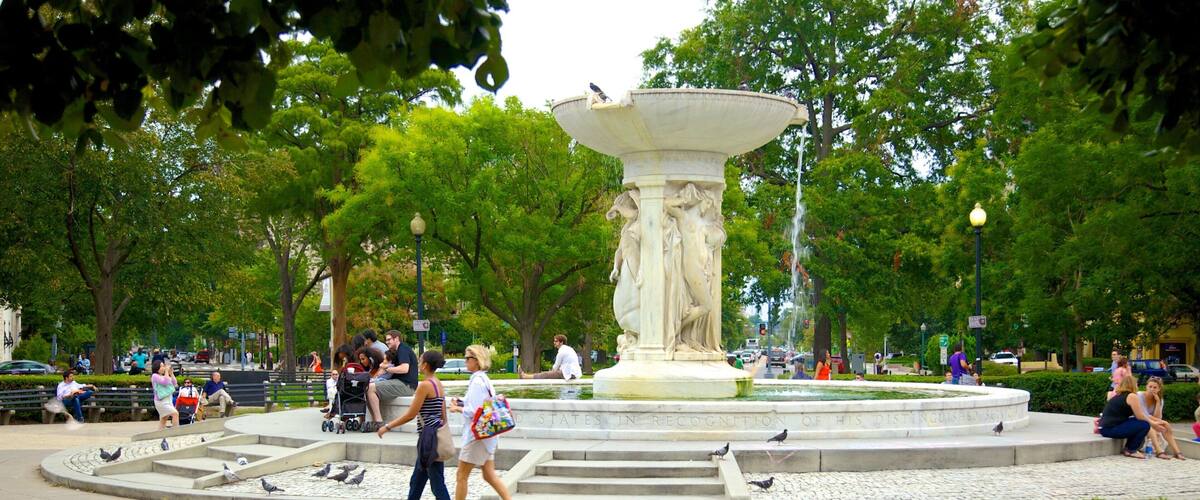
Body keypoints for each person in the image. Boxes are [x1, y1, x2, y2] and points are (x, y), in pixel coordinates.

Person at [378, 350, 451, 500]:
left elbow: (410, 414)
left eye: (419, 361)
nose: (418, 364)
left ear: (425, 365)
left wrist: (387, 426)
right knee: (417, 481)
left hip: (428, 440)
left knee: (437, 485)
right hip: (433, 437)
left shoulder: (424, 385)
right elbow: (443, 415)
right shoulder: (438, 383)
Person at [449, 345, 511, 500]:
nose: (465, 361)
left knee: (461, 475)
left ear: (476, 361)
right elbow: (481, 405)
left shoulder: (477, 381)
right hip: (486, 436)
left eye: (467, 358)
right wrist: (462, 401)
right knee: (489, 475)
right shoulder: (483, 379)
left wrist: (457, 408)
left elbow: (475, 411)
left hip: (477, 436)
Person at [1099, 373, 1168, 458]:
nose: (1137, 385)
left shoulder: (1120, 395)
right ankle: (1131, 450)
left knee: (1137, 422)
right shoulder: (1132, 396)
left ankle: (1129, 448)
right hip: (1110, 429)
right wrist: (1153, 424)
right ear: (1132, 385)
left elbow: (1138, 416)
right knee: (1144, 424)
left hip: (1105, 428)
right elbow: (1141, 416)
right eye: (1136, 383)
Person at [367, 330, 420, 431]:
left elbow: (405, 369)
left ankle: (378, 422)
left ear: (396, 339)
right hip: (400, 383)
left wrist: (387, 368)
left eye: (389, 340)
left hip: (406, 385)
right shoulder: (396, 351)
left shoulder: (403, 350)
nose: (387, 342)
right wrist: (373, 377)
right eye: (386, 340)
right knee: (368, 386)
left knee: (370, 388)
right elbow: (381, 371)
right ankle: (376, 421)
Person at [1140, 377, 1186, 459]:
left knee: (1166, 425)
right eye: (1150, 387)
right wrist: (1156, 421)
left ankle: (1177, 452)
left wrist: (1157, 402)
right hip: (1139, 418)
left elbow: (1157, 417)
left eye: (1155, 387)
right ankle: (1159, 451)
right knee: (1153, 426)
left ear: (1159, 389)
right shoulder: (1140, 395)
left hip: (1150, 419)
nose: (1152, 389)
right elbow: (1142, 414)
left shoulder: (1160, 400)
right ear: (1146, 386)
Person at [150, 360, 179, 430]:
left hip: (168, 400)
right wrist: (166, 371)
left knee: (163, 419)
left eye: (164, 366)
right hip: (161, 401)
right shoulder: (154, 376)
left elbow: (174, 383)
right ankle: (176, 432)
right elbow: (165, 382)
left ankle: (159, 435)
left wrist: (171, 374)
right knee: (175, 414)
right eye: (162, 366)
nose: (164, 367)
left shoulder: (163, 376)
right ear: (157, 368)